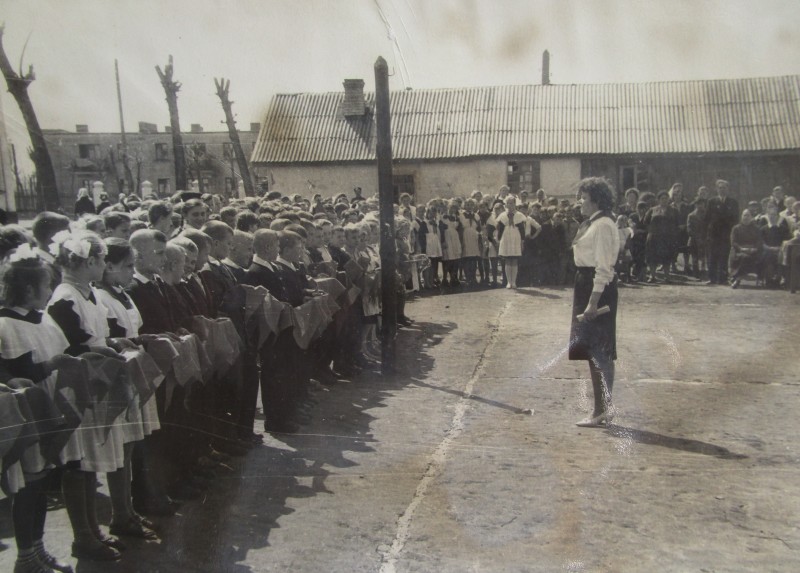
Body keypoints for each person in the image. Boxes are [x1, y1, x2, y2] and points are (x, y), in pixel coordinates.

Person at [569, 177, 620, 427]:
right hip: (586, 284)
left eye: (584, 198)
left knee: (600, 351)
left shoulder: (602, 225)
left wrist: (592, 302)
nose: (580, 202)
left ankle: (602, 411)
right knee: (594, 351)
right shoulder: (595, 223)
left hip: (595, 287)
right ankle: (603, 408)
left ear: (596, 200)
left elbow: (604, 268)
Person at [705, 180, 739, 285]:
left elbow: (735, 219)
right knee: (712, 256)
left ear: (728, 189)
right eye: (720, 188)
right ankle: (712, 278)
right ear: (716, 189)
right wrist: (708, 232)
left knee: (724, 256)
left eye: (724, 188)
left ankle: (723, 279)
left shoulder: (733, 202)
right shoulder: (711, 201)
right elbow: (707, 218)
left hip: (726, 234)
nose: (722, 190)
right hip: (714, 234)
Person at [495, 196, 526, 288]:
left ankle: (514, 281)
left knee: (514, 260)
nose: (510, 205)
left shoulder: (519, 215)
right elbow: (499, 229)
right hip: (506, 238)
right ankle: (509, 282)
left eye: (512, 203)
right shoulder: (502, 215)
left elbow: (522, 230)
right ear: (506, 204)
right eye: (508, 203)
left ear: (515, 204)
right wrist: (499, 240)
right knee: (508, 260)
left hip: (515, 237)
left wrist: (522, 242)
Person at [728, 210, 763, 289]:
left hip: (753, 251)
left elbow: (759, 241)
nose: (746, 218)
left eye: (748, 216)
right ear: (741, 217)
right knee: (745, 257)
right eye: (744, 215)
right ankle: (737, 278)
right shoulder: (736, 228)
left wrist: (755, 249)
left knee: (752, 257)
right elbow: (733, 242)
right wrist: (741, 248)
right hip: (739, 251)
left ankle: (736, 278)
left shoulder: (756, 229)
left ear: (751, 217)